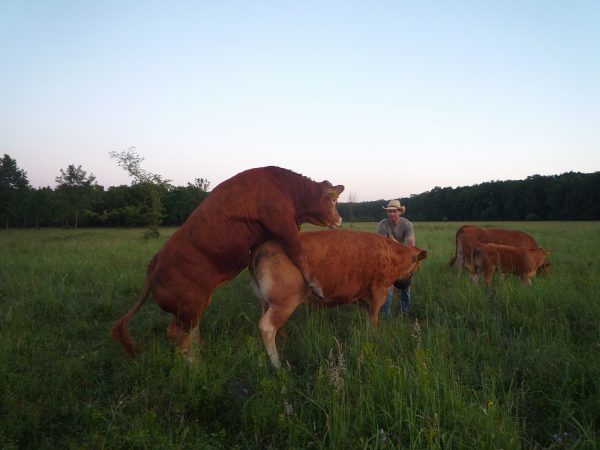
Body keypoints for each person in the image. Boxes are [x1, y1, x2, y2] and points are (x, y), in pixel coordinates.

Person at [377, 199, 415, 316]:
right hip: (387, 258)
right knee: (388, 288)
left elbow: (411, 247)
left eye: (394, 211)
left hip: (403, 258)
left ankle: (405, 311)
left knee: (405, 287)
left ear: (399, 212)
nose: (392, 214)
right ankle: (385, 314)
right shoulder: (383, 224)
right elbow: (382, 248)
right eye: (389, 212)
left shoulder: (407, 224)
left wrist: (393, 242)